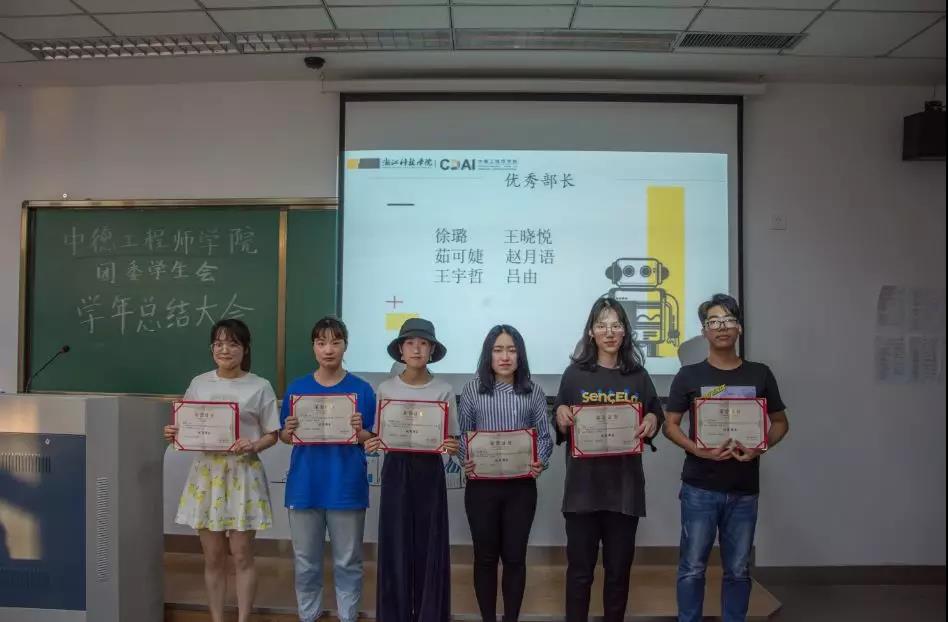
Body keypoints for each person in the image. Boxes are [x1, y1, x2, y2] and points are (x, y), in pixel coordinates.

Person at [662, 294, 789, 622]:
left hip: (744, 490)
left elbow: (780, 423)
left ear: (739, 328)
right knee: (692, 568)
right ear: (704, 331)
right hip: (699, 488)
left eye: (728, 320)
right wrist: (696, 449)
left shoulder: (760, 374)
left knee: (738, 570)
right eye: (713, 322)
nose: (721, 327)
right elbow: (669, 425)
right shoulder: (688, 375)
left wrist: (759, 447)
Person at [552, 297, 663, 622]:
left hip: (624, 491)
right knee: (580, 573)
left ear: (625, 331)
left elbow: (655, 412)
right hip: (582, 492)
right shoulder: (574, 375)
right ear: (591, 332)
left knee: (618, 574)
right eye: (602, 325)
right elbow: (560, 416)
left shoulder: (638, 376)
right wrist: (560, 414)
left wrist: (652, 420)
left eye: (616, 325)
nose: (609, 332)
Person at [163, 319, 280, 622]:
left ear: (245, 349)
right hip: (207, 475)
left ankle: (243, 618)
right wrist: (174, 432)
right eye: (218, 343)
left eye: (233, 343)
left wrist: (254, 444)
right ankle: (216, 618)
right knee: (213, 557)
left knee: (242, 555)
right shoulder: (199, 383)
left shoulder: (260, 386)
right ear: (212, 348)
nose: (224, 350)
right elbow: (186, 425)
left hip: (243, 473)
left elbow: (273, 434)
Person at [279, 317, 377, 622]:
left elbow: (373, 438)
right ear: (313, 347)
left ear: (345, 345)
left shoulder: (362, 390)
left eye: (336, 342)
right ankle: (309, 615)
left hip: (346, 486)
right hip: (304, 485)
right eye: (321, 343)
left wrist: (361, 432)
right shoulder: (297, 389)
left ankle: (348, 615)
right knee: (305, 561)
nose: (329, 349)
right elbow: (285, 436)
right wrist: (288, 430)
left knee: (348, 561)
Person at [459, 324, 554, 622]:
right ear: (488, 355)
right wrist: (465, 458)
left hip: (520, 488)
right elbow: (462, 436)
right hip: (481, 488)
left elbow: (544, 437)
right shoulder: (472, 390)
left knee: (514, 558)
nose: (504, 357)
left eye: (511, 350)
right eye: (498, 350)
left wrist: (541, 461)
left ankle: (511, 617)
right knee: (485, 558)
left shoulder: (533, 391)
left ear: (520, 355)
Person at [368, 317, 460, 622]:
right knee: (394, 542)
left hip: (429, 471)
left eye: (423, 344)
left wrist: (451, 446)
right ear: (400, 349)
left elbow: (452, 439)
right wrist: (372, 441)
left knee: (429, 544)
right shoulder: (385, 389)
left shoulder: (444, 390)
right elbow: (378, 434)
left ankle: (429, 614)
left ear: (432, 350)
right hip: (395, 468)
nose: (417, 349)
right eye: (410, 343)